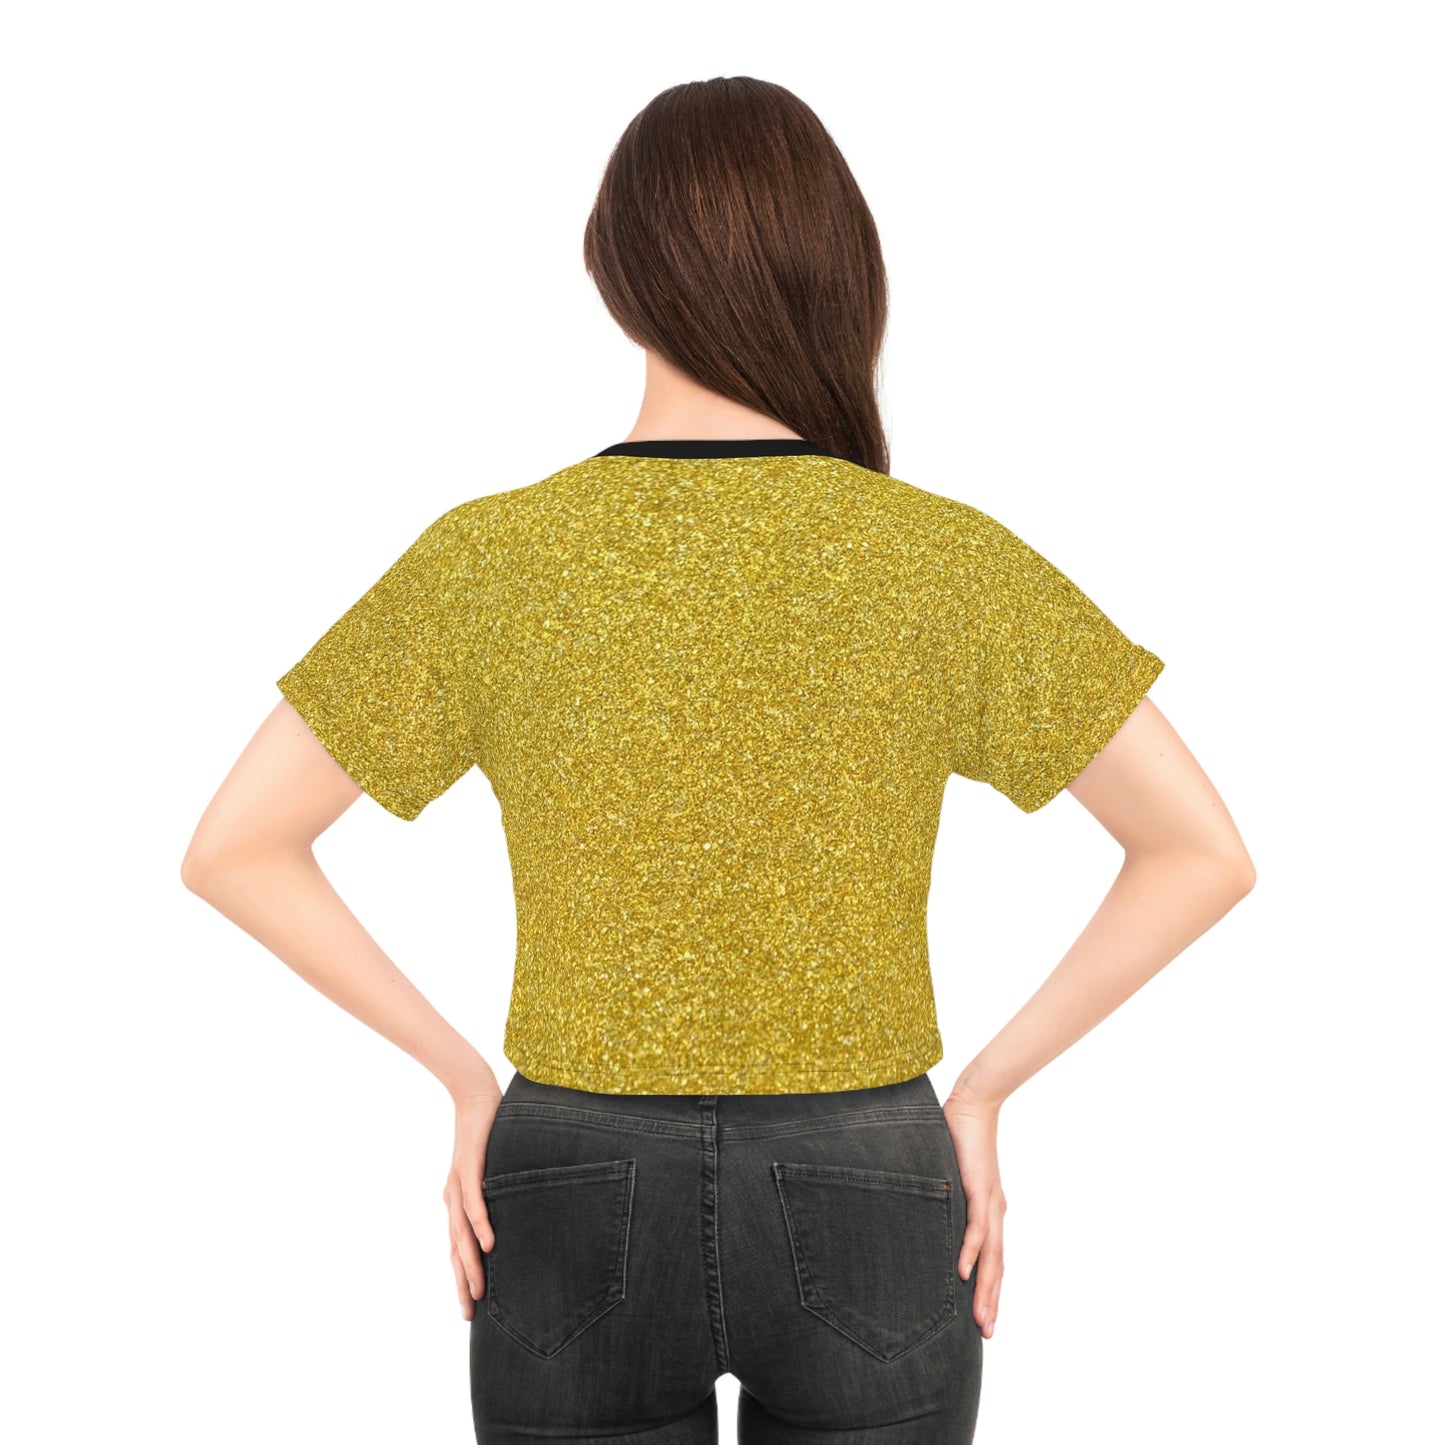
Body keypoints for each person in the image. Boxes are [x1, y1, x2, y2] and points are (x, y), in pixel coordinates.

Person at [181, 76, 1255, 1445]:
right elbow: (1200, 851)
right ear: (844, 274)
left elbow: (236, 846)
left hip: (568, 1168)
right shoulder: (940, 560)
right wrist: (982, 1094)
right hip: (871, 1169)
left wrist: (464, 1078)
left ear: (611, 272)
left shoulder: (493, 559)